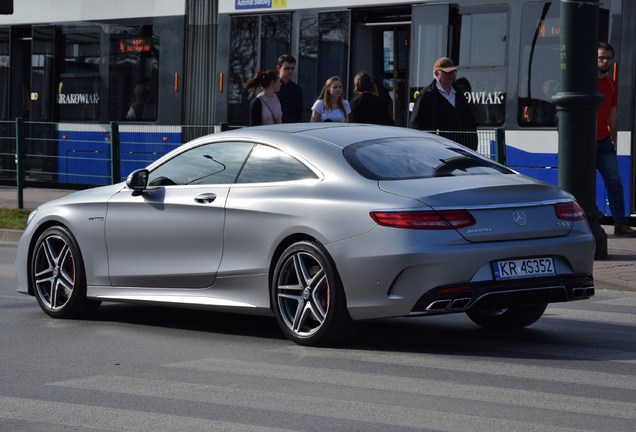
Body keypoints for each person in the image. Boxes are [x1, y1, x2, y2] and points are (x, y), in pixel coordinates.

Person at [596, 42, 636, 236]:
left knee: (615, 182)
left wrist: (614, 140)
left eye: (608, 58)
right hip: (583, 144)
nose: (605, 61)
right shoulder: (583, 82)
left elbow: (613, 114)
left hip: (604, 142)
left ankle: (620, 224)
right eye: (601, 57)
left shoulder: (612, 84)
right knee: (578, 184)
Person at [409, 57, 478, 150]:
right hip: (439, 151)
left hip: (463, 149)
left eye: (452, 72)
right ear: (436, 74)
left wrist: (473, 146)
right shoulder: (426, 95)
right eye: (446, 72)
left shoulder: (459, 93)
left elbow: (470, 121)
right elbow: (416, 125)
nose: (450, 76)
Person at [276, 54, 304, 123]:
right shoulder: (272, 86)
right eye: (287, 68)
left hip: (291, 127)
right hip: (273, 127)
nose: (290, 71)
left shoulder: (297, 89)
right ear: (279, 68)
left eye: (292, 68)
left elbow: (299, 113)